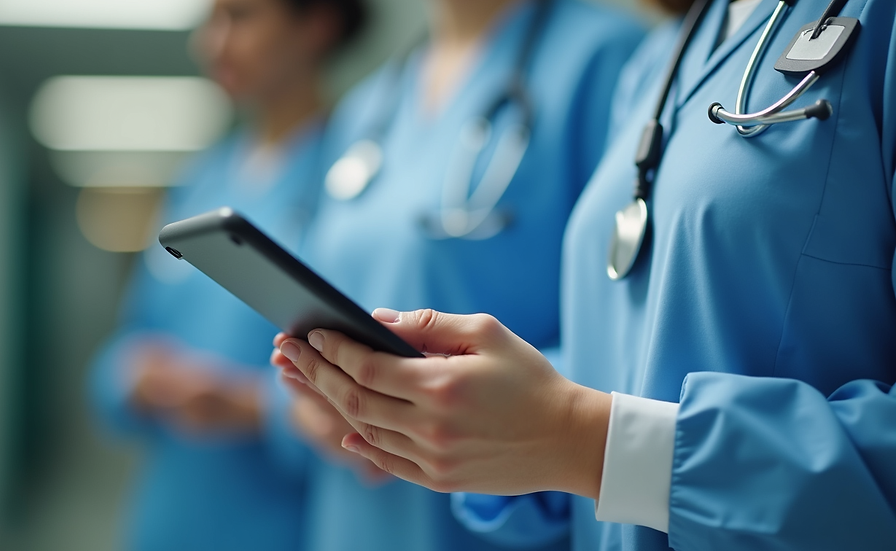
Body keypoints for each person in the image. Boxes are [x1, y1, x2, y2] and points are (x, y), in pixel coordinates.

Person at [272, 0, 896, 549]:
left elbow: (602, 422)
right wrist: (457, 409)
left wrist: (583, 438)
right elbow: (625, 355)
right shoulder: (665, 59)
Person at [276, 0, 644, 549]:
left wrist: (485, 406)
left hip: (497, 517)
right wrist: (312, 398)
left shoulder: (612, 60)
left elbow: (634, 327)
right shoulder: (368, 106)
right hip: (355, 512)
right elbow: (317, 290)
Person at [87, 0, 365, 549]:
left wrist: (255, 407)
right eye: (209, 22)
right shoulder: (198, 183)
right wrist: (132, 381)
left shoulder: (355, 179)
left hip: (284, 525)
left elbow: (376, 383)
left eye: (239, 17)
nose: (211, 44)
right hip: (168, 519)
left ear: (318, 25)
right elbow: (122, 349)